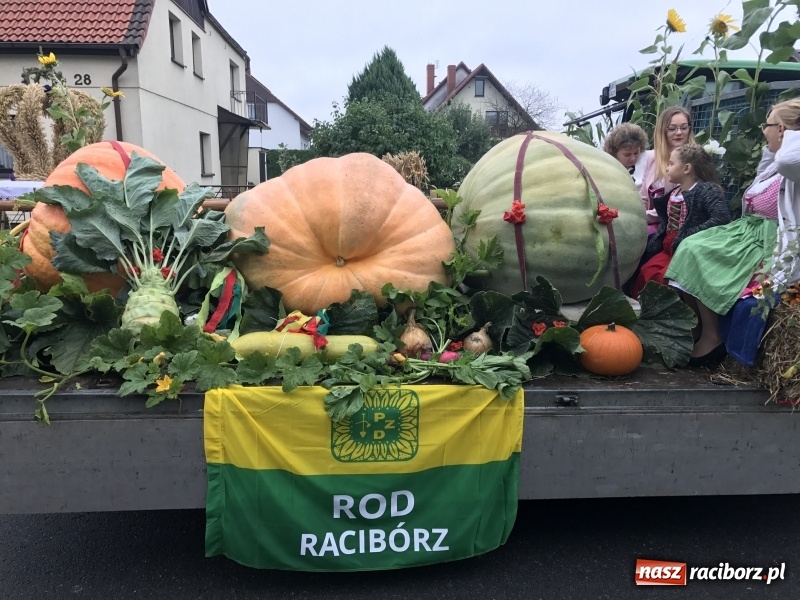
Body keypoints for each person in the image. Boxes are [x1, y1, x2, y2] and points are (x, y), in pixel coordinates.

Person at [665, 98, 800, 367]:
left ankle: (712, 337)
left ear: (784, 130)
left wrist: (791, 134)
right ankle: (700, 330)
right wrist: (776, 142)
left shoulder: (793, 165)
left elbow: (788, 159)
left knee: (698, 252)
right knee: (691, 247)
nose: (764, 130)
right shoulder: (773, 165)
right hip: (748, 232)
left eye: (770, 125)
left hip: (771, 241)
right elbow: (772, 164)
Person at [631, 143, 731, 298]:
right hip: (668, 249)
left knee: (663, 279)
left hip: (688, 252)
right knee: (646, 271)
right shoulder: (674, 193)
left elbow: (721, 218)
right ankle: (644, 314)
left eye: (671, 164)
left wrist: (689, 235)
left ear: (686, 169)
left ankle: (670, 316)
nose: (667, 168)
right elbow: (666, 222)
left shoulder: (706, 190)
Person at [640, 107, 696, 235]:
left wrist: (642, 217)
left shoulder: (694, 160)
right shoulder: (652, 157)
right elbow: (643, 197)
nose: (679, 133)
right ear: (662, 131)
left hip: (674, 227)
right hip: (648, 221)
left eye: (684, 127)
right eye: (672, 129)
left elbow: (677, 206)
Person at [603, 123, 648, 190]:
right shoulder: (608, 171)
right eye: (627, 155)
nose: (633, 158)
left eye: (636, 153)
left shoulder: (647, 159)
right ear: (614, 152)